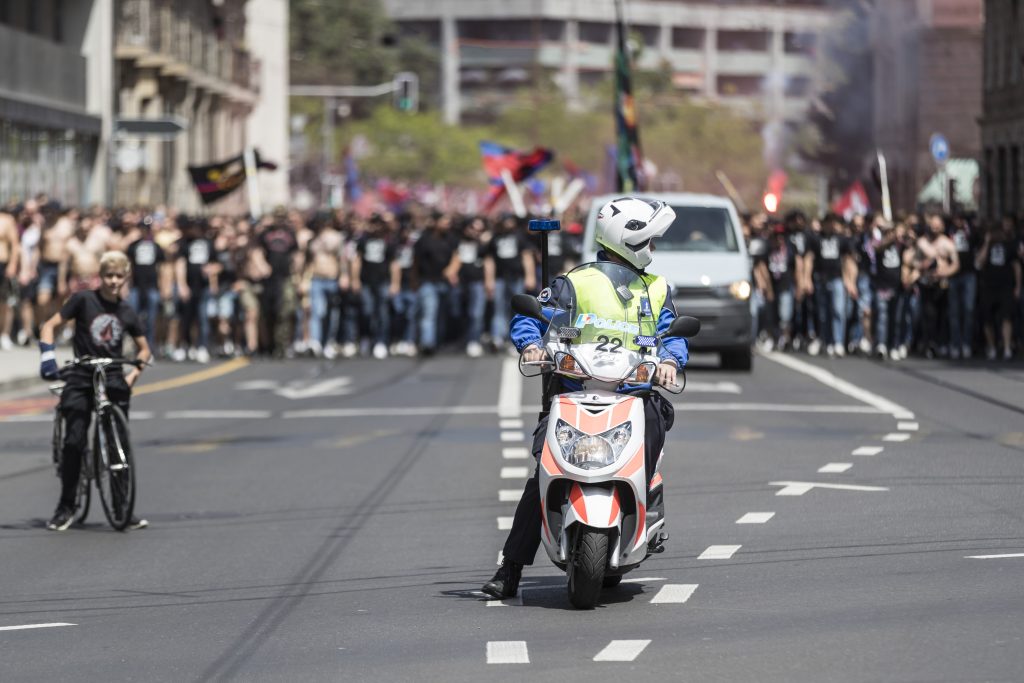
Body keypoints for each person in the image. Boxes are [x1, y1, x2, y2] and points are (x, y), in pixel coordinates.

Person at [482, 197, 689, 600]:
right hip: (576, 390)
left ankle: (644, 513)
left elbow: (674, 335)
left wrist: (669, 360)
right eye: (651, 240)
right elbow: (530, 316)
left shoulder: (657, 289)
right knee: (544, 466)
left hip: (635, 392)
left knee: (652, 435)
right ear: (629, 239)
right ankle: (510, 569)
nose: (654, 249)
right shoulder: (574, 282)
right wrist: (530, 346)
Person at [38, 251, 152, 531]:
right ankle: (65, 507)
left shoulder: (126, 311)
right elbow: (49, 326)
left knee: (118, 445)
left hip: (113, 376)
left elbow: (145, 349)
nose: (113, 281)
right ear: (100, 276)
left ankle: (122, 506)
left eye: (119, 276)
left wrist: (133, 375)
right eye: (108, 275)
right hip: (81, 374)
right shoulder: (83, 300)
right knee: (74, 440)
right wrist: (47, 358)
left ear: (126, 278)